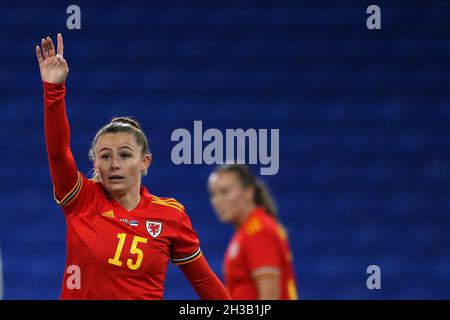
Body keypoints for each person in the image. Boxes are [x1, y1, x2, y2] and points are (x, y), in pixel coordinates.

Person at [36, 34, 231, 300]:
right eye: (105, 156)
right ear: (95, 163)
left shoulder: (171, 216)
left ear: (145, 162)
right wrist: (53, 90)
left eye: (125, 155)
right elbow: (58, 153)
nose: (114, 164)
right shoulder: (81, 198)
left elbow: (206, 283)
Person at [208, 164, 298, 300]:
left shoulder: (258, 231)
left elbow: (270, 297)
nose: (217, 201)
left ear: (249, 192)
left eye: (224, 191)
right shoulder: (247, 231)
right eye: (213, 194)